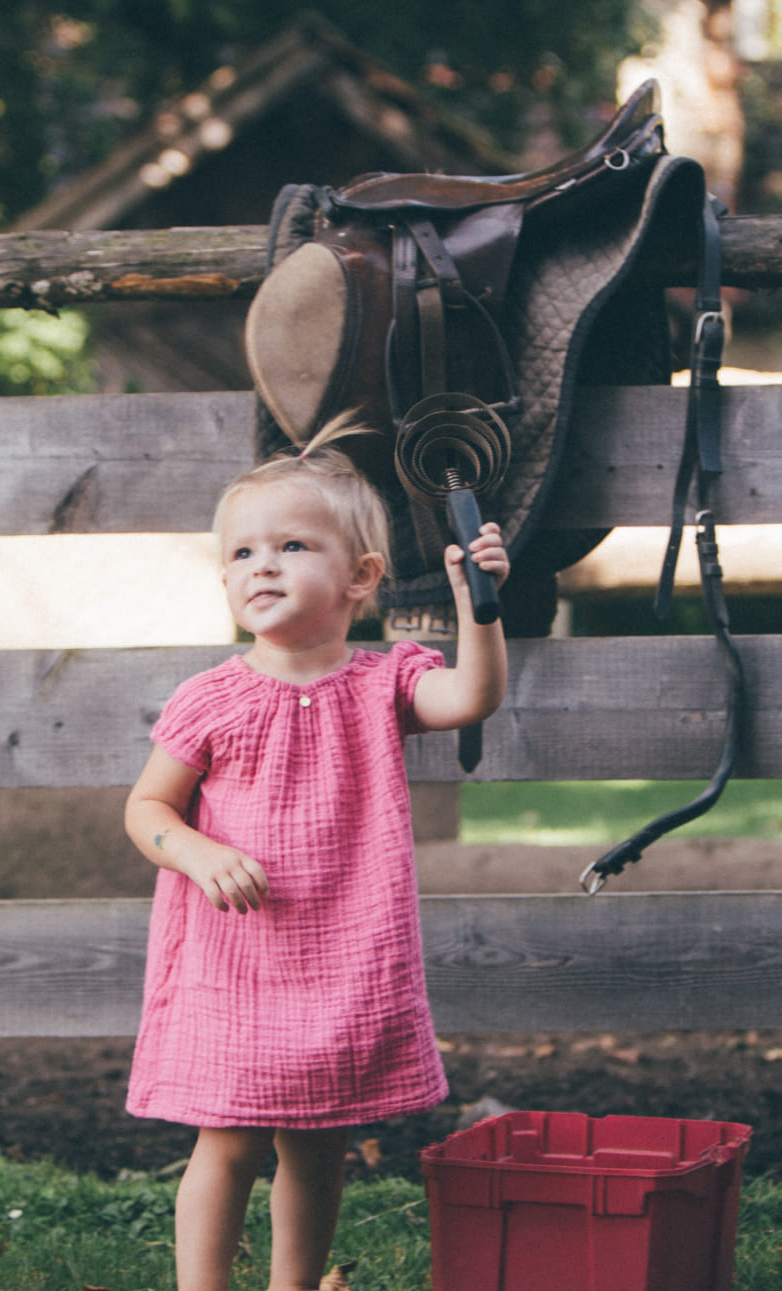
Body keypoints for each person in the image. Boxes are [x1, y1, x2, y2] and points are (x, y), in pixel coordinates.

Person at [123, 414, 508, 1291]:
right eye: (242, 552)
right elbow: (146, 808)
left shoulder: (385, 683)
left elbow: (474, 695)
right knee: (227, 1139)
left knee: (320, 1139)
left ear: (360, 578)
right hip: (237, 958)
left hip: (344, 955)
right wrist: (191, 850)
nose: (261, 565)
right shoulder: (209, 698)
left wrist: (474, 602)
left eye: (292, 544)